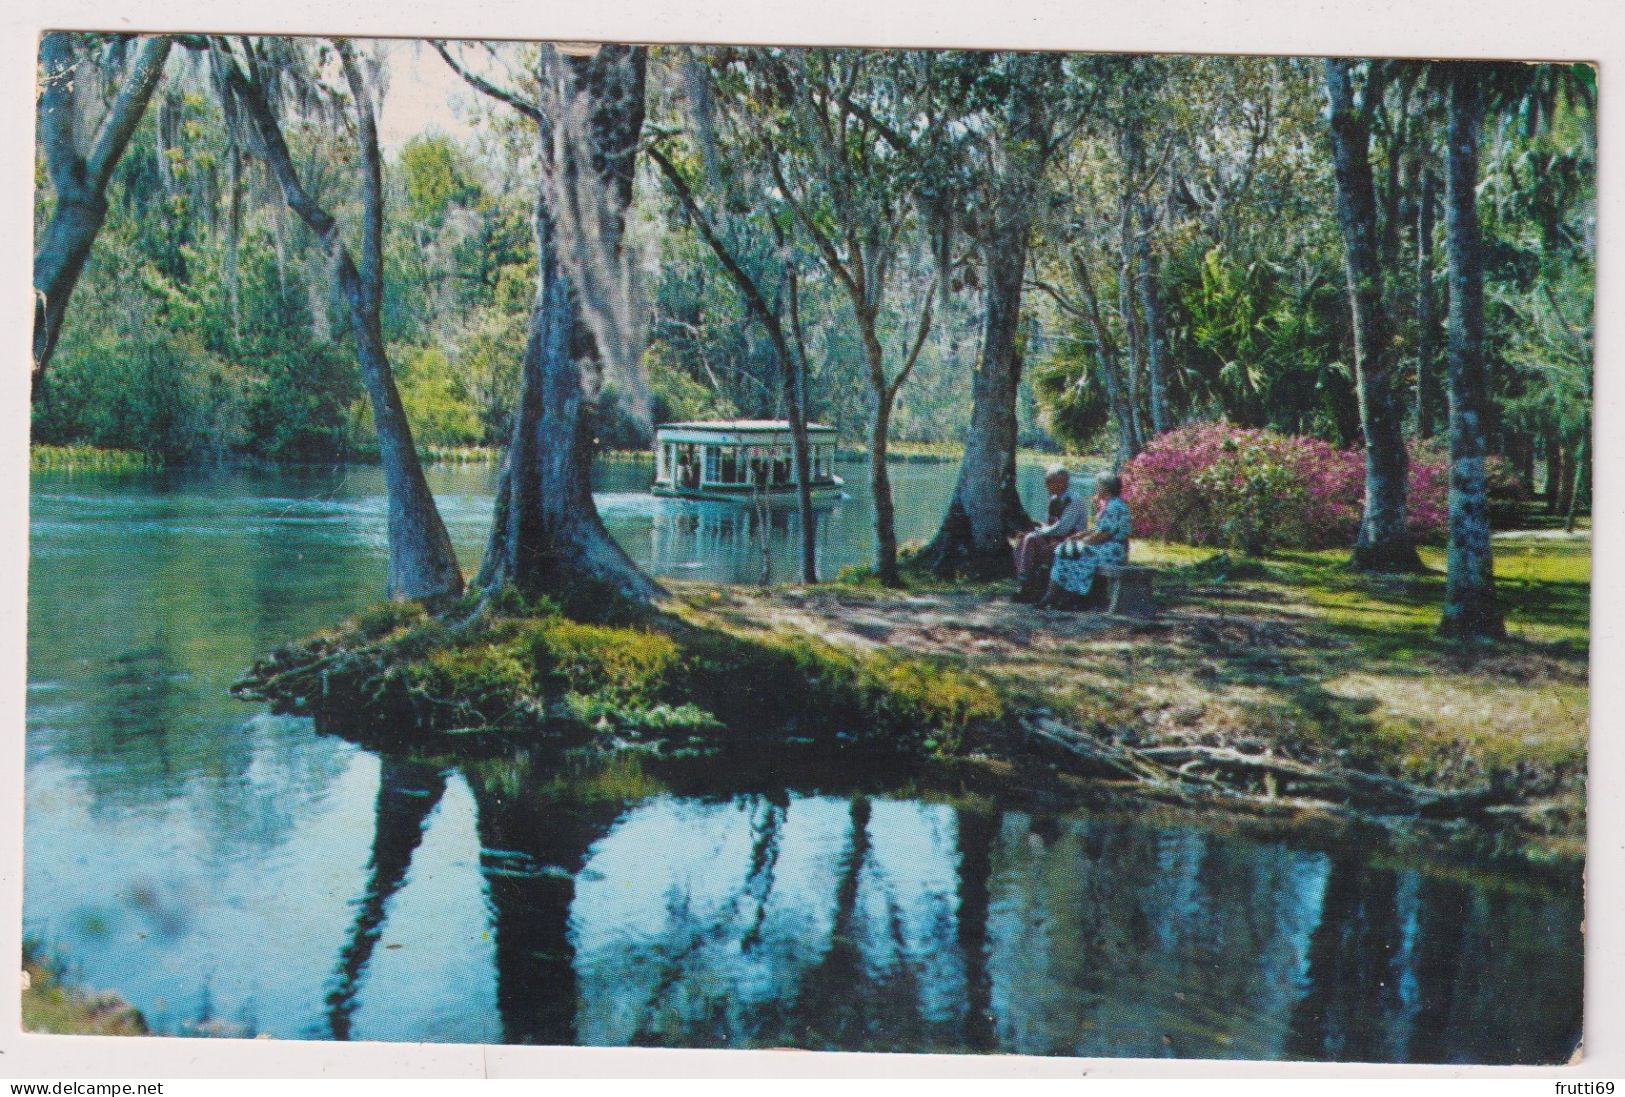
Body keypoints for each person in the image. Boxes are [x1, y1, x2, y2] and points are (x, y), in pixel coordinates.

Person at [1041, 473, 1131, 609]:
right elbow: (1097, 529)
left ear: (1105, 488)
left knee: (1078, 552)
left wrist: (1082, 543)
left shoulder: (1114, 506)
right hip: (1105, 547)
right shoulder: (1109, 504)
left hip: (1114, 549)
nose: (1096, 489)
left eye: (1098, 486)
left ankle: (1075, 597)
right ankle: (1053, 595)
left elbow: (1104, 534)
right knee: (1065, 550)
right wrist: (1077, 537)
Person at [1012, 465, 1091, 602]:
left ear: (1062, 482)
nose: (1045, 484)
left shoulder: (1074, 501)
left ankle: (1025, 584)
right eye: (1046, 480)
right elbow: (1050, 525)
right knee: (1023, 538)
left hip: (1069, 542)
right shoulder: (1054, 499)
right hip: (1054, 539)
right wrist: (1038, 527)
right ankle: (1025, 582)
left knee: (1031, 538)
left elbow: (1063, 528)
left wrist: (1039, 532)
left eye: (1049, 481)